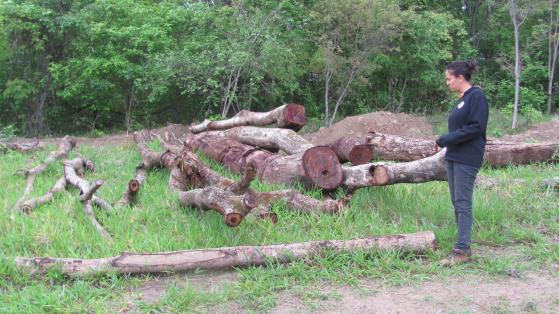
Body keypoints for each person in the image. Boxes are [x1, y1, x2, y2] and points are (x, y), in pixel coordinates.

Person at [435, 60, 489, 266]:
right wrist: (447, 142)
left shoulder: (477, 97)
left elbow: (476, 128)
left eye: (449, 79)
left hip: (468, 157)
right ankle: (462, 244)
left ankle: (462, 251)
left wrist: (445, 139)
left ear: (460, 77)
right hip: (454, 156)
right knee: (457, 201)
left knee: (463, 203)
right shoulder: (462, 99)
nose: (447, 82)